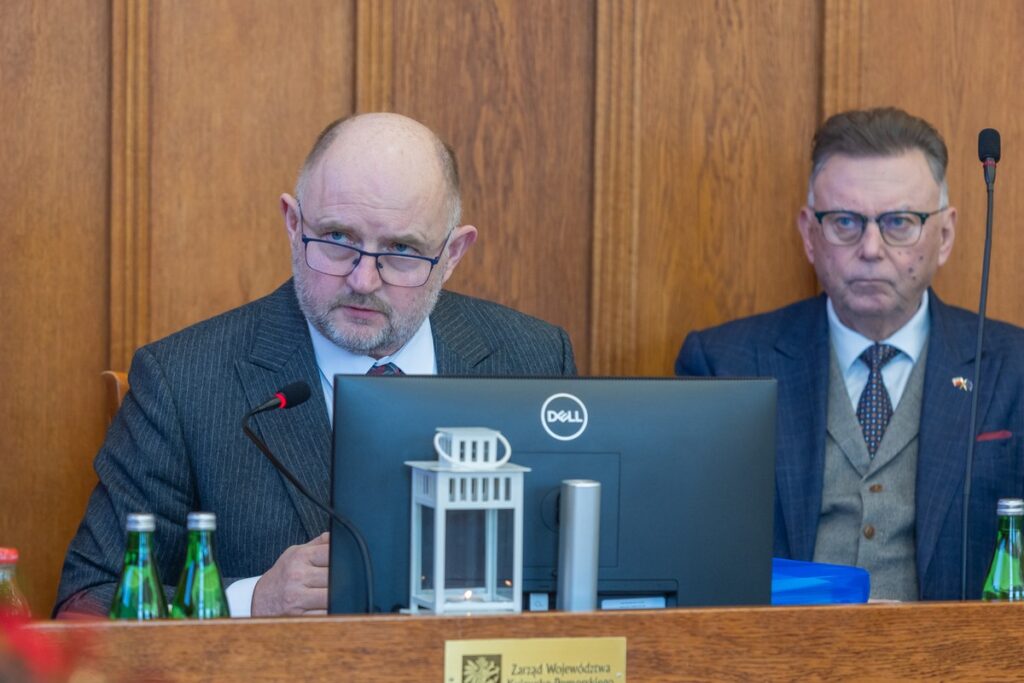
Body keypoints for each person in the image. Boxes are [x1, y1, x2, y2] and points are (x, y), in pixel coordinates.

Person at [56, 113, 576, 617]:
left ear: (453, 253)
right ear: (292, 222)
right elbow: (89, 599)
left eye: (401, 250)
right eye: (338, 240)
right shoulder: (184, 380)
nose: (363, 281)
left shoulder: (532, 359)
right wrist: (252, 600)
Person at [676, 107, 1024, 600]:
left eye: (899, 222)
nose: (871, 248)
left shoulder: (1014, 368)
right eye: (845, 221)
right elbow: (691, 560)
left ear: (943, 236)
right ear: (809, 234)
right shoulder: (723, 364)